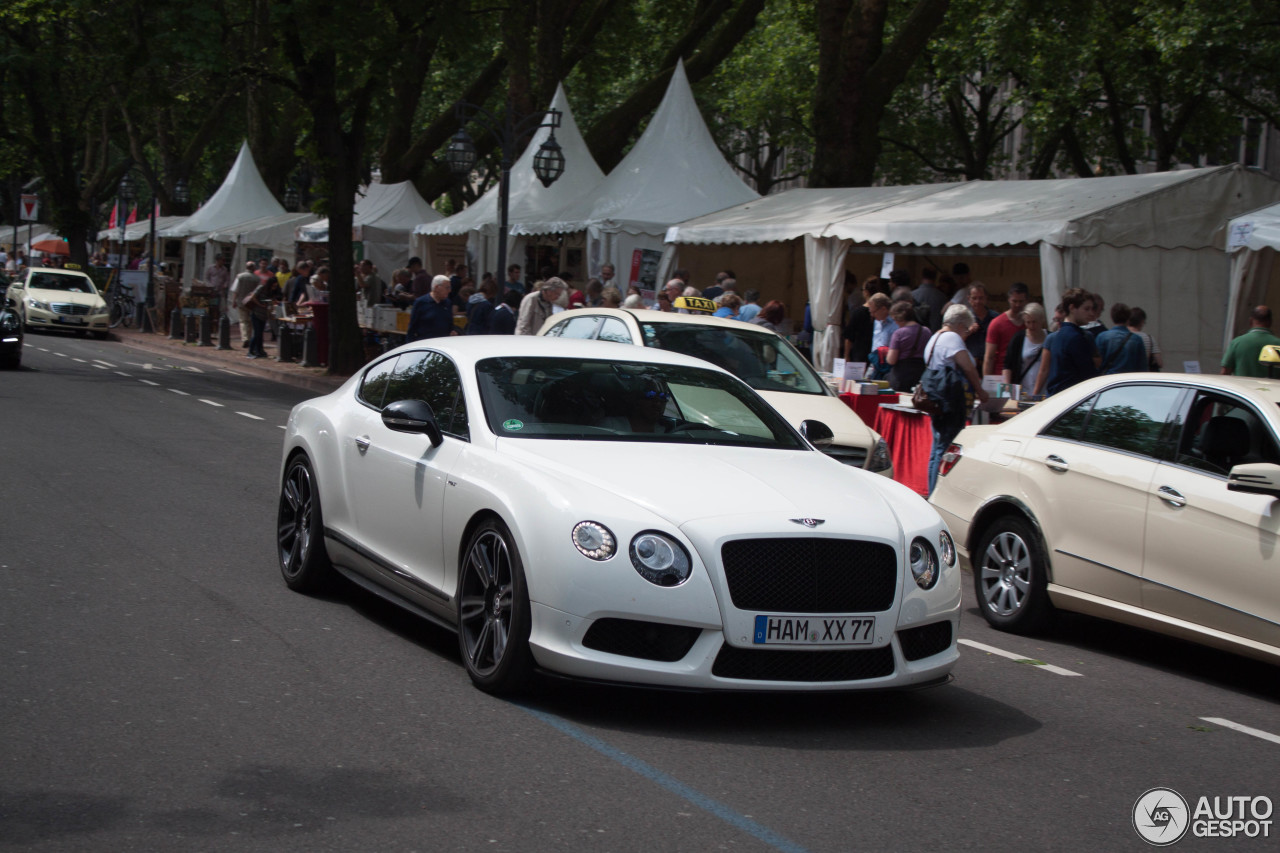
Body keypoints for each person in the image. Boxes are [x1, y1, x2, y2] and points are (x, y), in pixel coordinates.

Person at [926, 304, 989, 494]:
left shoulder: (934, 338)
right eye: (966, 329)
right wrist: (980, 390)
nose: (966, 334)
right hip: (950, 400)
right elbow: (968, 367)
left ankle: (931, 489)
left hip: (935, 397)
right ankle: (938, 492)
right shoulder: (952, 338)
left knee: (936, 446)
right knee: (944, 447)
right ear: (960, 324)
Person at [1034, 288, 1098, 396]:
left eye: (1092, 309)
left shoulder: (1058, 335)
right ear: (1072, 308)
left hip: (1057, 397)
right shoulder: (1075, 337)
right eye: (1086, 309)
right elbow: (1088, 374)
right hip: (1069, 398)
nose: (1091, 313)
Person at [984, 282, 1029, 377]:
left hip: (1025, 376)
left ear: (1026, 301)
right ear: (1009, 300)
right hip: (1001, 376)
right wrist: (987, 382)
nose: (1017, 305)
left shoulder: (1030, 323)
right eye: (1014, 301)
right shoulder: (997, 323)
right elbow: (989, 357)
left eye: (1021, 301)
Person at [886, 300, 932, 392]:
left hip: (901, 376)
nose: (895, 322)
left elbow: (891, 360)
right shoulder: (926, 331)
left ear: (900, 318)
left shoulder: (898, 333)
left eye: (894, 319)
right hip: (920, 374)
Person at [1221, 305, 1280, 376]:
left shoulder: (1237, 342)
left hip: (1241, 386)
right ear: (1270, 322)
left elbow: (1225, 372)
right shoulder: (1278, 344)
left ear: (1250, 320)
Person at [1001, 302, 1047, 391]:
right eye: (1028, 322)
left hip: (1045, 390)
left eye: (1034, 322)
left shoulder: (1050, 337)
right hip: (1023, 390)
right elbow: (1007, 365)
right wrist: (1007, 385)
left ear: (1041, 320)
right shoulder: (1019, 338)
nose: (1031, 326)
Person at [1096, 303, 1148, 374]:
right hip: (1128, 381)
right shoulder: (1137, 340)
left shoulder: (1102, 337)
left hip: (1107, 380)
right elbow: (1142, 368)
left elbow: (1097, 364)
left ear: (1112, 317)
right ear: (1128, 318)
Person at [406, 275, 456, 342]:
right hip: (426, 342)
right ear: (436, 287)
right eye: (447, 288)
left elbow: (450, 324)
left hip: (443, 343)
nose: (449, 290)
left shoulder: (447, 303)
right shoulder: (421, 302)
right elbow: (412, 327)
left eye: (450, 288)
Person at [964, 284, 999, 368]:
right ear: (969, 299)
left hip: (991, 364)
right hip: (970, 365)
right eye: (974, 298)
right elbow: (956, 341)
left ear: (986, 298)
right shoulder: (964, 318)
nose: (977, 301)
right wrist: (968, 331)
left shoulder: (995, 318)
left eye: (981, 298)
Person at [242, 276, 275, 359]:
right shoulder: (261, 287)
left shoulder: (270, 291)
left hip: (263, 315)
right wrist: (260, 304)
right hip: (256, 313)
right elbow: (253, 297)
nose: (274, 287)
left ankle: (259, 350)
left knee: (260, 334)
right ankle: (250, 351)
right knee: (257, 333)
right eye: (273, 285)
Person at [228, 262, 260, 347]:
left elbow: (235, 290)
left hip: (241, 301)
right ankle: (250, 337)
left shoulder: (240, 276)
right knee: (250, 321)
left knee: (243, 321)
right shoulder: (257, 278)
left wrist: (234, 301)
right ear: (253, 268)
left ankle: (245, 338)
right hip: (252, 303)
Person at [1128, 306, 1162, 370]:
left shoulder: (1120, 337)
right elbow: (1160, 363)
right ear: (1142, 322)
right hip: (1142, 375)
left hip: (1124, 376)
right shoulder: (1149, 338)